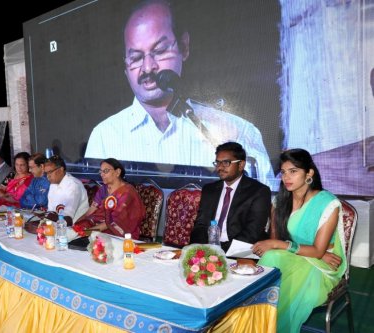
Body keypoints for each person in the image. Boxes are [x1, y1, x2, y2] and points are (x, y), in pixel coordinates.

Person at [84, 0, 275, 188]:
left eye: (159, 51)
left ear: (184, 46)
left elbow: (264, 205)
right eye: (135, 58)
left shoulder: (239, 132)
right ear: (125, 66)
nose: (148, 67)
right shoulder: (104, 136)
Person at [253, 149, 346, 333]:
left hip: (322, 267)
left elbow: (316, 251)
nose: (286, 177)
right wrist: (309, 252)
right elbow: (275, 242)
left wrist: (314, 253)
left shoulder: (327, 203)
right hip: (296, 255)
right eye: (284, 172)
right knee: (272, 259)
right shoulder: (279, 202)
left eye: (293, 171)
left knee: (276, 266)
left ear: (309, 173)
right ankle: (258, 324)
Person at [189, 142, 271, 252]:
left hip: (240, 252)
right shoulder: (209, 189)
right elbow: (200, 225)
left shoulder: (259, 191)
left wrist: (220, 252)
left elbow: (252, 232)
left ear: (241, 165)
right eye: (217, 163)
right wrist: (201, 250)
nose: (220, 167)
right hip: (209, 249)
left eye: (226, 162)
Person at [75, 158, 146, 239]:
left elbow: (114, 221)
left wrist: (88, 232)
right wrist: (76, 224)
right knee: (77, 229)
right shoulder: (103, 189)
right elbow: (91, 211)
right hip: (97, 225)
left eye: (105, 171)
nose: (102, 174)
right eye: (100, 171)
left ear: (117, 172)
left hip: (118, 231)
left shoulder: (127, 192)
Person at [44, 155, 89, 226]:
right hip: (58, 225)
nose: (48, 176)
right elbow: (51, 211)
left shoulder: (73, 185)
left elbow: (68, 220)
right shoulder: (53, 184)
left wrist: (48, 216)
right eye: (46, 173)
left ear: (61, 169)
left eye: (50, 172)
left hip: (76, 228)